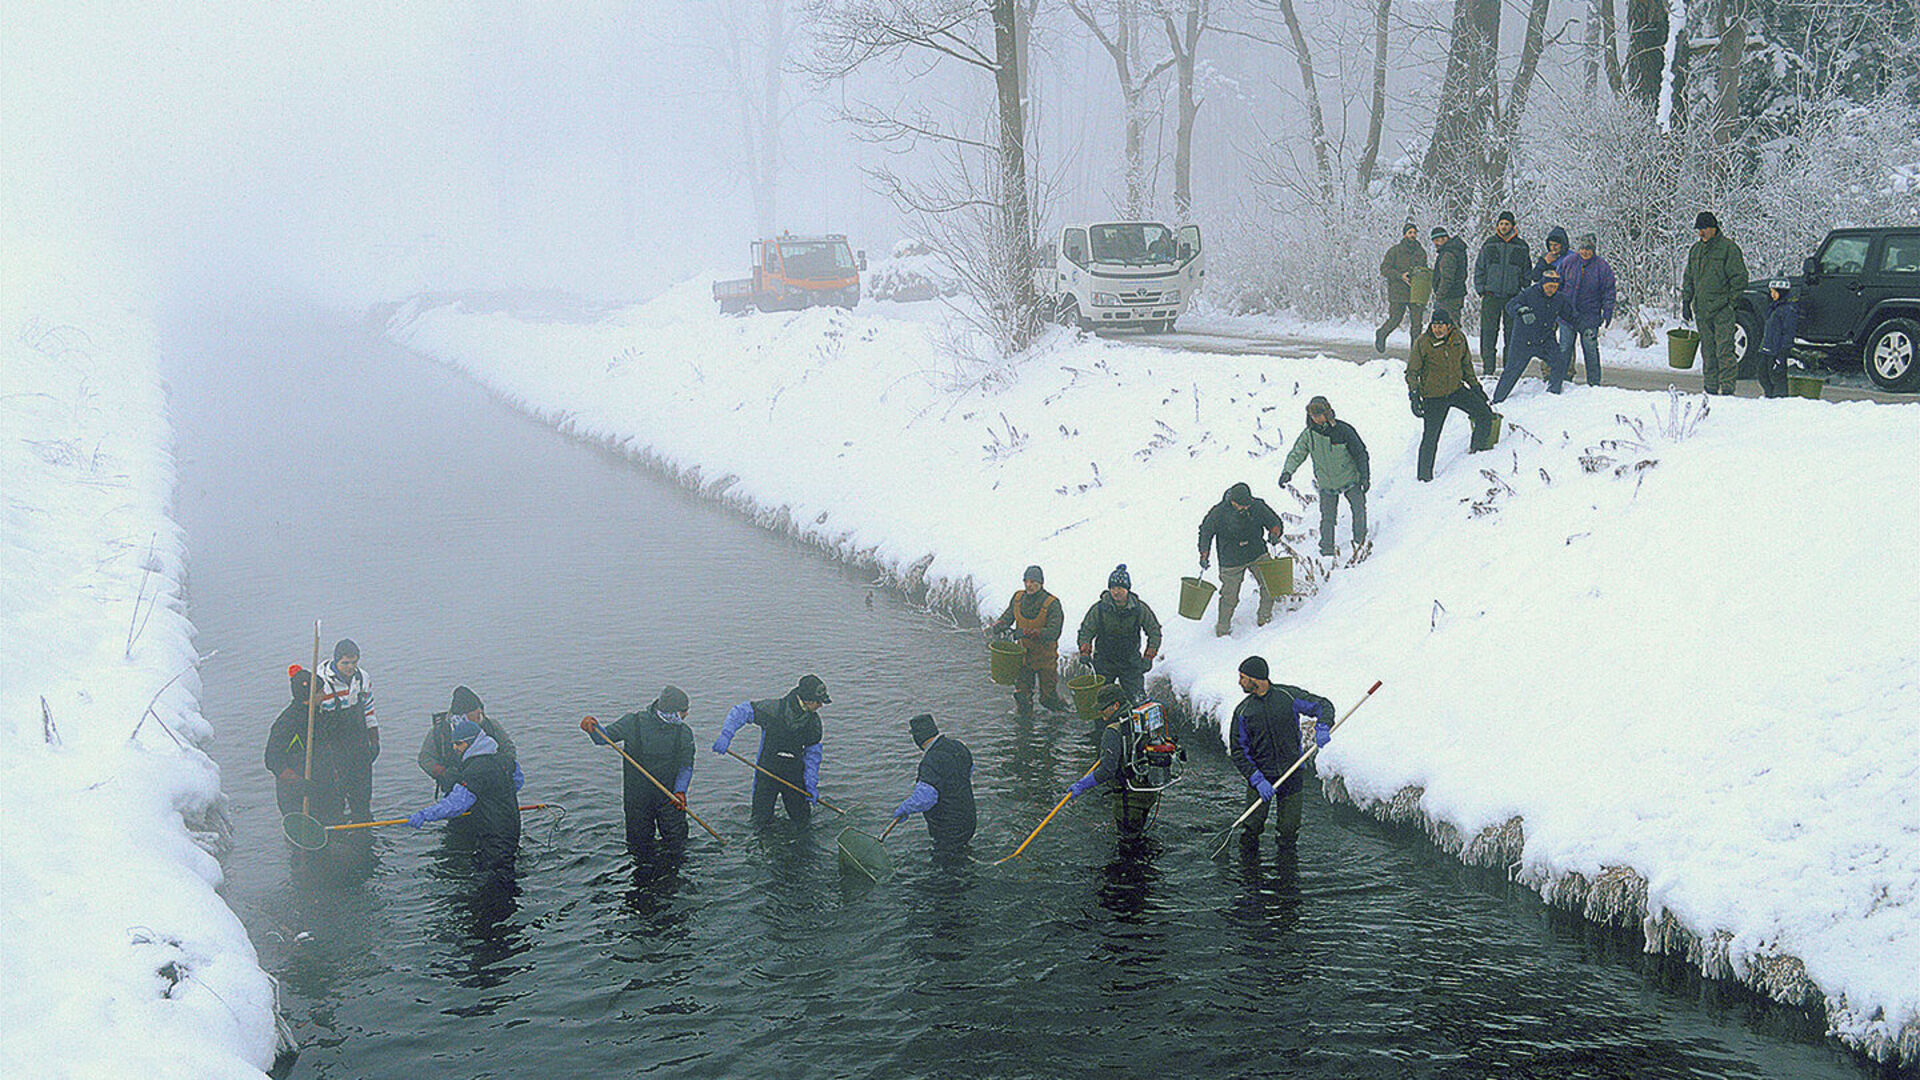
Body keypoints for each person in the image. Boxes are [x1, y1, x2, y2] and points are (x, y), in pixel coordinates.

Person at [1227, 655, 1333, 852]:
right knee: (1252, 828)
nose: (1239, 682)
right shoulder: (1243, 711)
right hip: (1261, 777)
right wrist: (1257, 779)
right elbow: (1238, 752)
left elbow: (1322, 705)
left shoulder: (1288, 696)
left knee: (1288, 831)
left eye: (1242, 677)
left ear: (1255, 679)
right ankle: (1249, 875)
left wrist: (1324, 725)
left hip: (1291, 773)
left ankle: (1287, 877)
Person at [406, 717, 523, 890]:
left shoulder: (475, 770)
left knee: (494, 884)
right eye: (453, 744)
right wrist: (492, 799)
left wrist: (425, 815)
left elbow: (456, 805)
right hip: (511, 827)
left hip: (494, 836)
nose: (455, 748)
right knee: (505, 871)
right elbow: (518, 782)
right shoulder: (504, 760)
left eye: (458, 744)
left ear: (472, 742)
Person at [582, 685, 695, 858]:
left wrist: (680, 790)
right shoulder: (632, 723)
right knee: (639, 848)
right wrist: (593, 727)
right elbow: (603, 738)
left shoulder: (684, 732)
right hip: (637, 799)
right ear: (671, 711)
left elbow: (686, 766)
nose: (686, 715)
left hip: (670, 798)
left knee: (677, 846)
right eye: (683, 711)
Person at [1066, 684, 1184, 835]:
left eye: (1103, 708)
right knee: (1139, 835)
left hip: (1129, 798)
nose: (1100, 712)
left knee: (1128, 845)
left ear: (1116, 705)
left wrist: (1083, 784)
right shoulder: (1137, 717)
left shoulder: (1112, 731)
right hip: (1147, 791)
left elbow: (1107, 771)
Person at [712, 674, 829, 827]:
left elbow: (812, 755)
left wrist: (811, 782)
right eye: (819, 702)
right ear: (807, 700)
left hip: (793, 773)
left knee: (802, 822)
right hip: (767, 770)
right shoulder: (773, 709)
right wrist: (726, 735)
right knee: (760, 821)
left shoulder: (813, 723)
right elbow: (741, 711)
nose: (821, 706)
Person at [1407, 309, 1497, 481]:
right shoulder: (1423, 342)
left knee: (1484, 414)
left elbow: (1466, 364)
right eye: (1434, 325)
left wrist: (1475, 387)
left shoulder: (1458, 338)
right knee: (1430, 437)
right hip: (1433, 397)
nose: (1438, 329)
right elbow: (1412, 371)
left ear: (1449, 326)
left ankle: (1475, 454)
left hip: (1456, 390)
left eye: (1441, 325)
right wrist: (1414, 395)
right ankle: (1424, 478)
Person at [1280, 397, 1370, 557]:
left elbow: (1360, 453)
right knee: (1327, 518)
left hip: (1350, 478)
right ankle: (1327, 550)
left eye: (1319, 414)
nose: (1316, 418)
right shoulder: (1309, 435)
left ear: (1327, 413)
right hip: (1326, 483)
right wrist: (1287, 472)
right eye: (1312, 415)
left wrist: (1365, 477)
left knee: (1358, 509)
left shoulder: (1343, 430)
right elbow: (1297, 453)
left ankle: (1360, 541)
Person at [1197, 482, 1283, 636]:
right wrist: (1204, 554)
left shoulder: (1257, 506)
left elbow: (1274, 522)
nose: (1245, 508)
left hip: (1257, 552)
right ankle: (1222, 630)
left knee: (1271, 584)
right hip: (1231, 560)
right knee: (1229, 597)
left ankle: (1265, 619)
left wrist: (1275, 533)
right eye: (1241, 505)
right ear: (1233, 501)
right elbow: (1205, 532)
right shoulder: (1218, 513)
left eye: (1247, 505)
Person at [1682, 211, 1750, 395]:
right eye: (1699, 230)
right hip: (1702, 310)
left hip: (1722, 311)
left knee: (1725, 351)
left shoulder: (1728, 249)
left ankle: (1727, 389)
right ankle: (1710, 388)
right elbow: (1688, 277)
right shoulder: (1695, 251)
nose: (1701, 233)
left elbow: (1740, 278)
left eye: (1704, 229)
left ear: (1714, 228)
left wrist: (1729, 302)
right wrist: (1686, 301)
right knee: (1708, 352)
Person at [985, 565, 1069, 716]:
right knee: (1022, 698)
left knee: (1047, 699)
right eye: (1026, 581)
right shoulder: (1018, 599)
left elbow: (1053, 632)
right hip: (1023, 658)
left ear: (1041, 583)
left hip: (1045, 659)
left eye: (1033, 582)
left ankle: (1066, 715)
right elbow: (1008, 617)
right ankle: (1024, 731)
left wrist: (1026, 632)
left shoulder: (1052, 604)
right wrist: (999, 625)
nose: (1029, 585)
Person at [890, 713, 976, 855]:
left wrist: (905, 808)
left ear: (917, 737)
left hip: (948, 828)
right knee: (962, 853)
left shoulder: (930, 761)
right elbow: (969, 770)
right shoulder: (958, 746)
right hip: (968, 819)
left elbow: (926, 799)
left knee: (946, 865)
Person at [265, 665, 341, 820]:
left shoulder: (318, 714)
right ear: (309, 696)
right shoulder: (287, 723)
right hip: (298, 798)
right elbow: (272, 760)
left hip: (323, 790)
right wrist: (298, 782)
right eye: (320, 691)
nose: (325, 694)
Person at [314, 638, 378, 822]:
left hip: (358, 742)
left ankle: (363, 823)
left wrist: (374, 740)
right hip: (333, 747)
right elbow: (315, 721)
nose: (350, 667)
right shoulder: (321, 683)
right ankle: (338, 829)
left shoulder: (362, 678)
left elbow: (369, 709)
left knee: (362, 793)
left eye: (354, 662)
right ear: (335, 661)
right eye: (345, 663)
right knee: (335, 796)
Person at [1077, 565, 1162, 703]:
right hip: (1104, 663)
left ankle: (1133, 724)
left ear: (1127, 589)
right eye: (1113, 588)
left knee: (1138, 702)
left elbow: (1154, 632)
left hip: (1131, 663)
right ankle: (1104, 725)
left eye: (1120, 588)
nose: (1116, 592)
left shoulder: (1139, 609)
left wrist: (1148, 657)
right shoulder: (1099, 609)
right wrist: (1085, 652)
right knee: (1102, 703)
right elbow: (1086, 631)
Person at [419, 685, 518, 798]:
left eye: (481, 711)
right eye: (476, 713)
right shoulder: (440, 732)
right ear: (464, 714)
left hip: (493, 788)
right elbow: (425, 759)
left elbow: (509, 749)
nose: (480, 714)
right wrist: (445, 773)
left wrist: (501, 766)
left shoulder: (491, 725)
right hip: (456, 790)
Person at [1494, 269, 1575, 402]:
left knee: (1559, 363)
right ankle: (1497, 400)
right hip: (1523, 340)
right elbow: (1510, 305)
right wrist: (1521, 310)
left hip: (1545, 340)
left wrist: (1587, 326)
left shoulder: (1559, 298)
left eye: (1554, 287)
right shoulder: (1529, 293)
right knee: (1512, 371)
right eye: (1549, 286)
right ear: (1542, 284)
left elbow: (1571, 316)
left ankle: (1553, 395)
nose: (1551, 290)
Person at [1554, 233, 1618, 388]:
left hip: (1590, 316)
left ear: (1594, 249)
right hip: (1567, 315)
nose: (1585, 252)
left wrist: (1607, 312)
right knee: (1565, 348)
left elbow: (1609, 291)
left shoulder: (1602, 267)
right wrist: (1556, 306)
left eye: (1588, 249)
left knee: (1590, 350)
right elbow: (1557, 284)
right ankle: (1563, 380)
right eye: (1583, 248)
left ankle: (1594, 383)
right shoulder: (1569, 262)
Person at [1474, 210, 1532, 376]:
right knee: (1488, 333)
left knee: (1512, 335)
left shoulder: (1521, 246)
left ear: (1513, 226)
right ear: (1497, 226)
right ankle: (1488, 369)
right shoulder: (1489, 244)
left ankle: (1509, 370)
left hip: (1512, 297)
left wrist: (1522, 292)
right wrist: (1481, 289)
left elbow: (1527, 271)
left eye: (1507, 224)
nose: (1504, 226)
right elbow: (1480, 268)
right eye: (1501, 223)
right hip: (1491, 296)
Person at [1375, 222, 1429, 354]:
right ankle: (1382, 334)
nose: (1413, 235)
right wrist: (1400, 276)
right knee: (1395, 319)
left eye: (1415, 233)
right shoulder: (1395, 251)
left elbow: (1424, 269)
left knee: (1417, 325)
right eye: (1410, 232)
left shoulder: (1421, 252)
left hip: (1416, 291)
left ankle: (1415, 353)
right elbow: (1384, 269)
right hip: (1398, 291)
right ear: (1404, 234)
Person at [1757, 279, 1801, 398]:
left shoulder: (1788, 310)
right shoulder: (1774, 308)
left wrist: (1783, 352)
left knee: (1777, 376)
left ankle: (1779, 398)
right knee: (1762, 374)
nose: (1772, 295)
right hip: (1767, 348)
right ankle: (1770, 396)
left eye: (1774, 292)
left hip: (1777, 350)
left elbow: (1788, 333)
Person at [1430, 226, 1470, 333]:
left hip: (1448, 296)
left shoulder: (1448, 254)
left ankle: (1454, 348)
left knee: (1448, 327)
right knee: (1453, 324)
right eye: (1437, 240)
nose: (1439, 242)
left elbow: (1447, 278)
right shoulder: (1458, 250)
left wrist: (1440, 294)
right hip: (1457, 294)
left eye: (1441, 239)